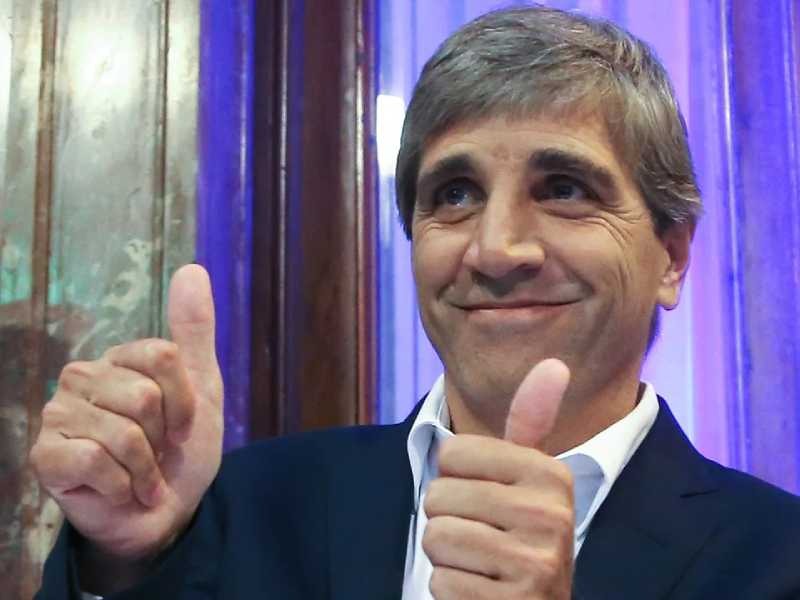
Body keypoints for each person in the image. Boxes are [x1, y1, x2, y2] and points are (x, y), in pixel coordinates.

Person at [32, 6, 800, 599]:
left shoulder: (776, 558)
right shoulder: (247, 506)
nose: (496, 249)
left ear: (672, 257)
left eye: (564, 189)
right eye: (455, 194)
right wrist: (126, 562)